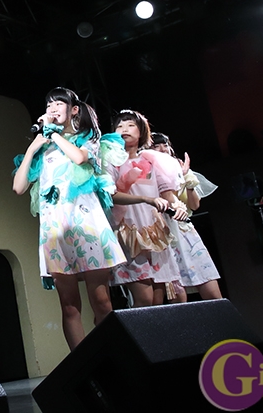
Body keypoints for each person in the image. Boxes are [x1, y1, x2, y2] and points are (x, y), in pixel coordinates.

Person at [11, 89, 170, 350]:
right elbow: (18, 187)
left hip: (87, 224)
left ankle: (112, 355)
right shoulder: (43, 147)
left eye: (59, 103)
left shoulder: (88, 139)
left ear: (74, 109)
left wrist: (53, 133)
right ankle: (83, 364)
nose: (52, 108)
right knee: (69, 305)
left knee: (102, 301)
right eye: (49, 104)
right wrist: (32, 149)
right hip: (55, 229)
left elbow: (79, 158)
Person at [110, 110, 187, 307]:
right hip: (128, 232)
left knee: (156, 300)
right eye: (119, 126)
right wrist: (146, 199)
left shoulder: (153, 161)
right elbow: (110, 195)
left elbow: (168, 195)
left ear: (141, 131)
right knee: (143, 299)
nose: (124, 129)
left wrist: (178, 206)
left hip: (154, 233)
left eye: (130, 125)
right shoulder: (110, 162)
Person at [150, 132, 223, 301]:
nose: (163, 149)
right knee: (177, 293)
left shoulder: (181, 170)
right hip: (164, 230)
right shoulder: (149, 171)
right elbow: (166, 201)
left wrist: (187, 179)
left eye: (165, 145)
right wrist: (177, 177)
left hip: (185, 229)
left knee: (209, 284)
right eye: (156, 146)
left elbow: (194, 205)